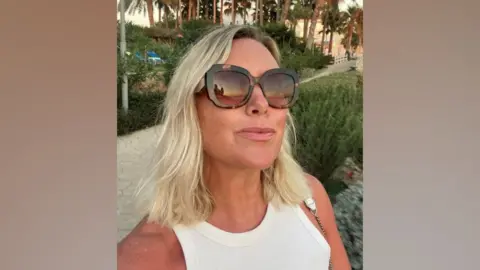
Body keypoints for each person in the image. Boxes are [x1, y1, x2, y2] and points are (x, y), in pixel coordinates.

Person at [117, 25, 350, 270]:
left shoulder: (310, 199)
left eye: (277, 85)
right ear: (190, 109)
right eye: (230, 85)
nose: (261, 104)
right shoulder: (143, 259)